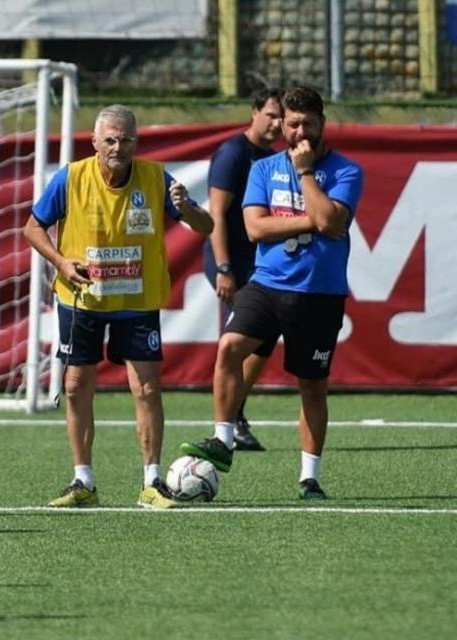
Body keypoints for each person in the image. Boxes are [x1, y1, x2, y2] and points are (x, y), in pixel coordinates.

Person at [23, 104, 213, 510]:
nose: (117, 146)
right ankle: (83, 481)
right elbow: (32, 227)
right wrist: (60, 262)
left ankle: (152, 482)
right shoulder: (71, 177)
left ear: (135, 142)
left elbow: (205, 227)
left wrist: (186, 208)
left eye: (125, 139)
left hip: (137, 300)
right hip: (82, 299)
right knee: (75, 388)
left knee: (146, 388)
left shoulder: (156, 177)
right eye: (110, 139)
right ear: (94, 142)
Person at [180, 86, 364, 500]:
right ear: (282, 124)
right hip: (266, 283)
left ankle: (309, 477)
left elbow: (334, 224)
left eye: (308, 124)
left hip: (319, 292)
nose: (300, 132)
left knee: (311, 386)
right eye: (292, 123)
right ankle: (223, 440)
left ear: (322, 124)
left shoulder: (347, 171)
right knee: (229, 347)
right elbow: (255, 229)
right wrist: (311, 220)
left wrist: (305, 176)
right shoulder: (262, 169)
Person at [202, 87, 284, 452]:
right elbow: (216, 213)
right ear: (254, 112)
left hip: (258, 264)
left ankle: (235, 414)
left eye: (282, 117)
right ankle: (228, 421)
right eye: (271, 115)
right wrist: (223, 268)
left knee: (264, 340)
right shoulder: (233, 154)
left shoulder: (269, 157)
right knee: (238, 341)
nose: (277, 123)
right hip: (231, 262)